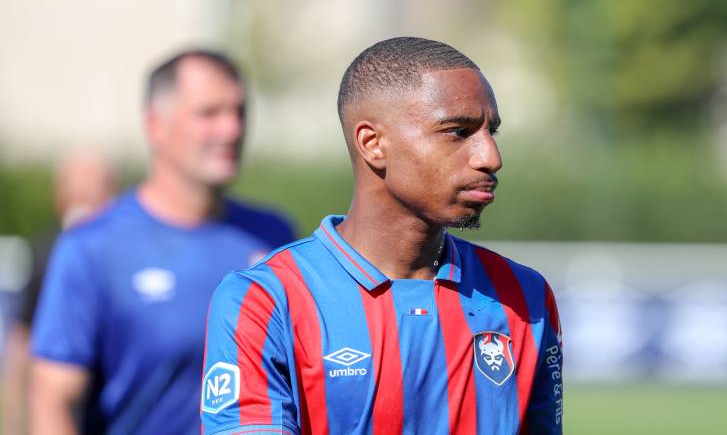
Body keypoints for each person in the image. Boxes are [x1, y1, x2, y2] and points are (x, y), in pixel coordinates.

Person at [201, 37, 563, 434]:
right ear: (373, 144)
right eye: (459, 132)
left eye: (491, 131)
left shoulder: (524, 295)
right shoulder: (266, 300)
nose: (490, 157)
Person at [30, 50, 296, 434]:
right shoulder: (92, 247)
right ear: (156, 125)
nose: (232, 129)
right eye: (210, 113)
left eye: (239, 112)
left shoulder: (273, 235)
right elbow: (53, 401)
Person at [2, 151, 116, 435]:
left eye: (94, 193)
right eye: (78, 194)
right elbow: (22, 345)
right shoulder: (47, 252)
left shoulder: (124, 255)